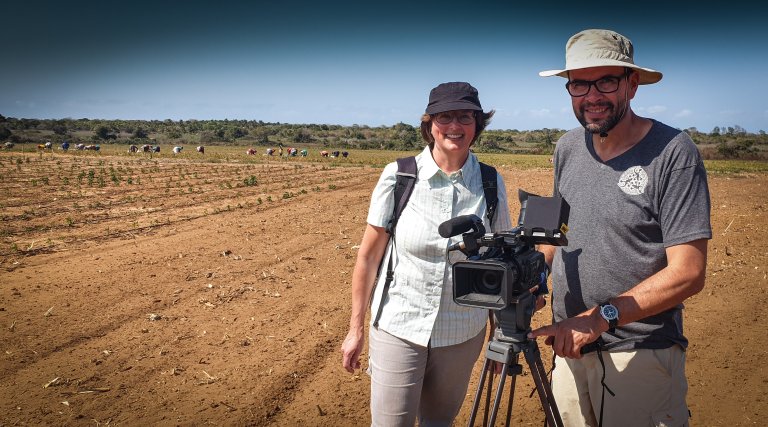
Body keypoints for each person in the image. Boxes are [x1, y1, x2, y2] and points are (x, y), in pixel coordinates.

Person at [529, 29, 712, 426]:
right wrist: (534, 274)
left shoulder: (673, 152)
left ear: (632, 85)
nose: (592, 95)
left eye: (606, 81)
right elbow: (556, 232)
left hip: (640, 351)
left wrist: (599, 318)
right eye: (579, 83)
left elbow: (689, 272)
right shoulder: (567, 147)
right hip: (569, 346)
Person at [340, 82, 513, 426]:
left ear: (477, 125)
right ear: (429, 124)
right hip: (399, 325)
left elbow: (500, 260)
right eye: (444, 116)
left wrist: (502, 332)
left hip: (463, 331)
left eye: (465, 117)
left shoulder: (490, 182)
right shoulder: (400, 176)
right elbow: (368, 258)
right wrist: (355, 328)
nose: (454, 126)